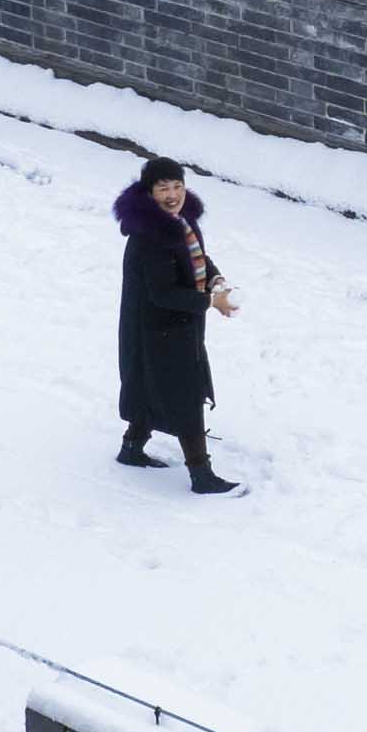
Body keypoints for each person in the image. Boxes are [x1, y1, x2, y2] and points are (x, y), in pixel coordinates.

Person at [113, 158, 240, 496]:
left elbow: (198, 257)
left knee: (150, 388)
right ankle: (201, 475)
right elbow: (163, 294)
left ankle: (131, 448)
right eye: (163, 188)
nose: (172, 195)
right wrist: (213, 302)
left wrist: (215, 279)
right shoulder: (152, 237)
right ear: (149, 191)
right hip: (156, 331)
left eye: (177, 187)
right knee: (184, 396)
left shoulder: (179, 222)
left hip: (173, 327)